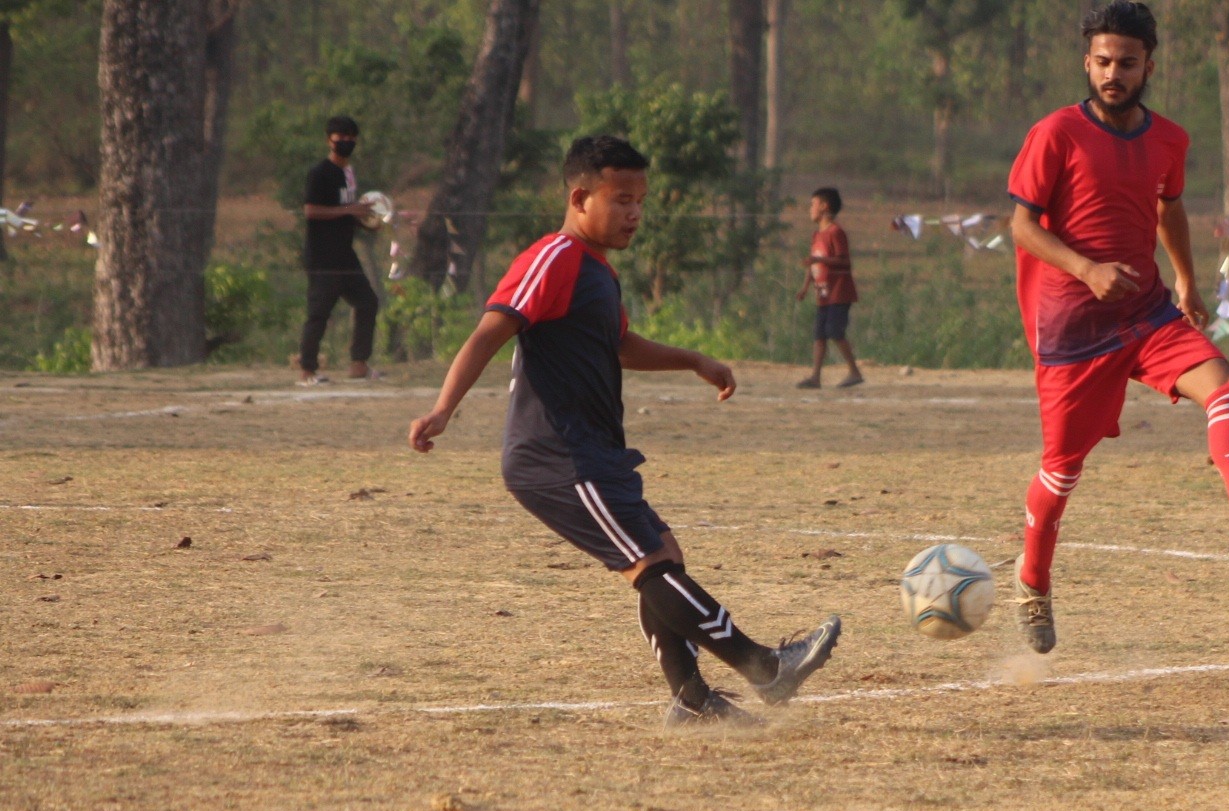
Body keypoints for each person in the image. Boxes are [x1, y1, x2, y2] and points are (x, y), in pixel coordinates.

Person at [406, 135, 841, 726]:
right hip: (558, 454)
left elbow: (618, 346)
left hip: (594, 452)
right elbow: (490, 330)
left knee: (663, 555)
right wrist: (442, 409)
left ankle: (692, 703)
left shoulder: (597, 272)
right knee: (648, 564)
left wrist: (692, 359)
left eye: (640, 200)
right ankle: (765, 667)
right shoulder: (553, 258)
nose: (635, 213)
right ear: (580, 197)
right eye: (621, 199)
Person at [1003, 1, 1229, 654]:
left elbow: (1168, 208)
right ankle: (1033, 581)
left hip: (1146, 310)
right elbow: (1021, 227)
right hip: (1071, 332)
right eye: (1101, 62)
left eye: (1125, 62)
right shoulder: (1055, 133)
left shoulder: (1169, 138)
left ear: (1150, 63)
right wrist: (1087, 270)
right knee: (1061, 474)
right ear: (1086, 63)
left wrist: (1186, 279)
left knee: (1225, 384)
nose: (1112, 74)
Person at [299, 116, 380, 387]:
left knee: (368, 302)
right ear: (328, 140)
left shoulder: (349, 174)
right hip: (323, 257)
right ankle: (307, 370)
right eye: (339, 137)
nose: (345, 142)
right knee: (319, 312)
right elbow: (311, 210)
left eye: (350, 137)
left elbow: (348, 211)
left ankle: (359, 363)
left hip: (345, 254)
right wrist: (349, 210)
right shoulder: (320, 173)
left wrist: (366, 221)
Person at [796, 187, 863, 389]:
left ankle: (854, 371)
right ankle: (815, 377)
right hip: (823, 294)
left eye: (813, 204)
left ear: (824, 206)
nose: (810, 209)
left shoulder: (836, 232)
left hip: (839, 292)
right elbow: (814, 265)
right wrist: (805, 287)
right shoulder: (817, 235)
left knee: (834, 331)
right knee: (819, 334)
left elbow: (844, 261)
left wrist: (820, 259)